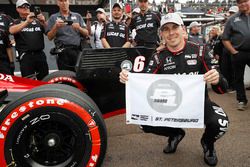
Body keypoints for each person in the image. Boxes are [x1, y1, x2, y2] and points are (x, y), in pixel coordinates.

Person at [120, 13, 229, 166]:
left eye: (174, 27)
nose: (171, 33)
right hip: (169, 106)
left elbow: (222, 90)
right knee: (143, 121)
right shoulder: (158, 57)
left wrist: (217, 79)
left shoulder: (200, 51)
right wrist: (129, 79)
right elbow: (143, 82)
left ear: (183, 29)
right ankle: (176, 133)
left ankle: (208, 144)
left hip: (198, 104)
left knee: (221, 123)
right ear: (162, 34)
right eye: (166, 29)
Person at [9, 0, 48, 80]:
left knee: (44, 79)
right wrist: (27, 22)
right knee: (28, 81)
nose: (26, 8)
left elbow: (49, 33)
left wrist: (44, 22)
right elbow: (11, 30)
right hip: (26, 56)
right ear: (17, 9)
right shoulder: (16, 21)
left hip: (40, 54)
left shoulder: (37, 21)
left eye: (27, 6)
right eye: (23, 7)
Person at [222, 0, 250, 111]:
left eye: (245, 1)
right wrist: (234, 52)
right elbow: (225, 39)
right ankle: (241, 100)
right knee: (238, 78)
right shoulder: (232, 19)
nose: (242, 4)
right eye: (239, 2)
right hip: (239, 52)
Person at [46, 0, 88, 71]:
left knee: (78, 75)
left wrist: (79, 28)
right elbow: (49, 37)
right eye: (61, 1)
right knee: (64, 75)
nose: (64, 3)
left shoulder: (77, 16)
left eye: (66, 1)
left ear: (69, 2)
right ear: (58, 3)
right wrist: (55, 27)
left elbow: (86, 33)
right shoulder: (53, 17)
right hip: (62, 52)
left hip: (76, 51)